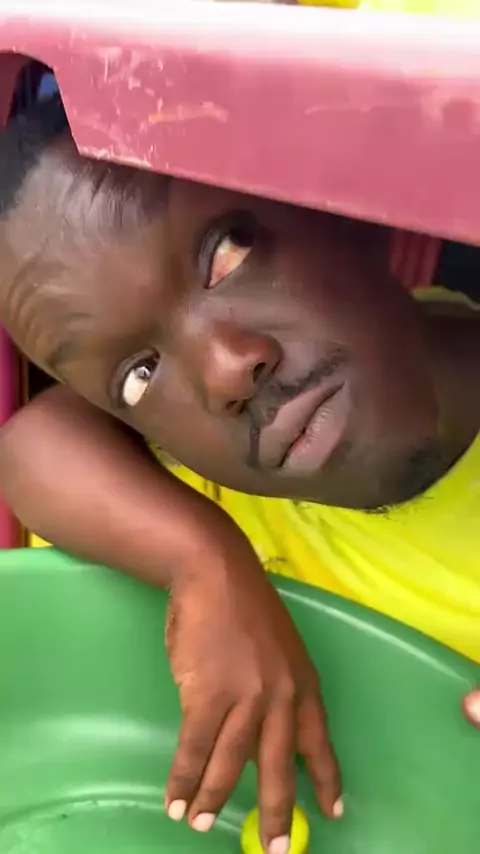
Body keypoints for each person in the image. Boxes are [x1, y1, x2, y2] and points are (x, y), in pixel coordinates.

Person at [0, 96, 479, 854]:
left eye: (226, 254)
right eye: (139, 376)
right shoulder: (200, 493)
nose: (224, 371)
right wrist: (202, 561)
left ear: (338, 204)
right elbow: (31, 445)